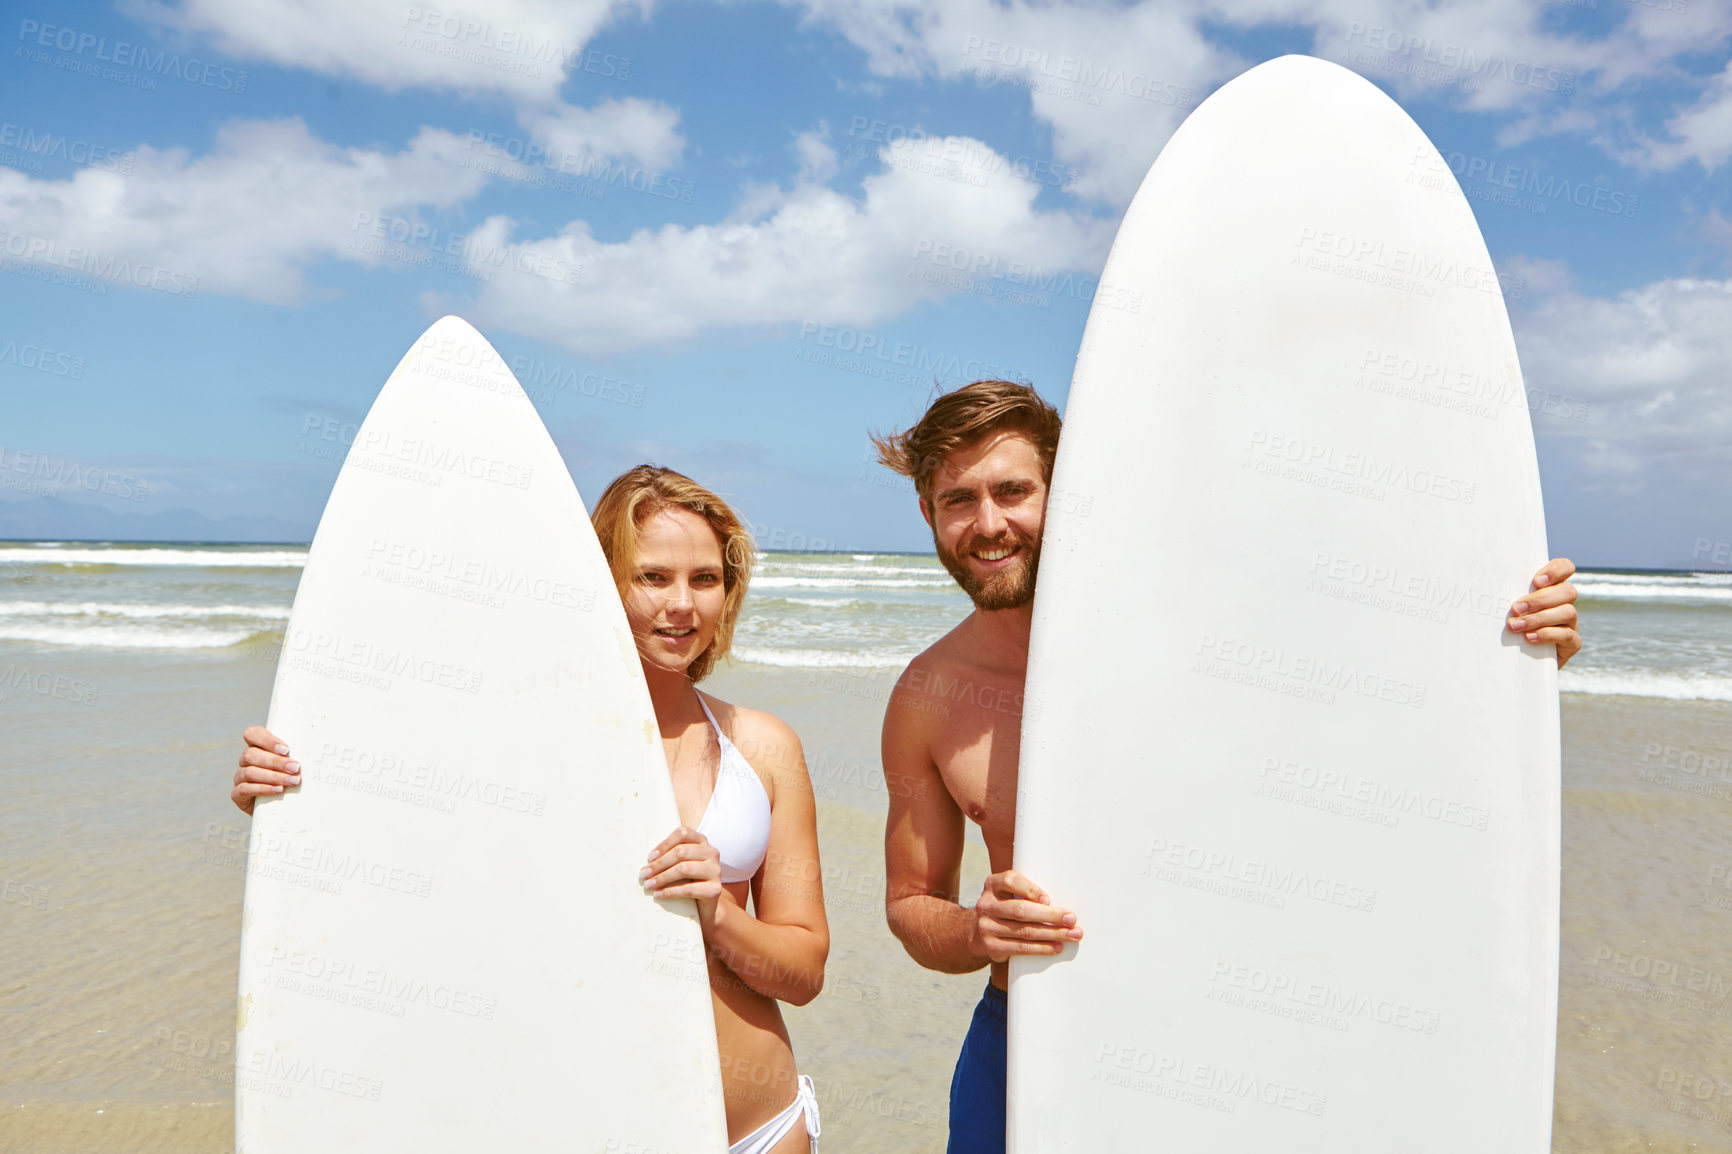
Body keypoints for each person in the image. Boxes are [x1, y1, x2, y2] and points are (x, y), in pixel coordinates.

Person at [871, 379, 1583, 1154]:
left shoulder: (1203, 641)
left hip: (1209, 1036)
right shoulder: (929, 698)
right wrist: (978, 929)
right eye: (958, 500)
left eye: (1014, 491)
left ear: (1065, 491)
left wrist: (1520, 648)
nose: (989, 524)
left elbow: (1392, 715)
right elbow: (911, 903)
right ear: (926, 514)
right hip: (1026, 1036)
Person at [232, 465, 828, 1154]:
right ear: (600, 585)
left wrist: (718, 913)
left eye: (705, 579)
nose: (682, 605)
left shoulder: (764, 747)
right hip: (578, 1126)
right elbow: (403, 862)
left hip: (760, 1130)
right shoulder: (514, 746)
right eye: (652, 577)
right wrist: (287, 801)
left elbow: (806, 969)